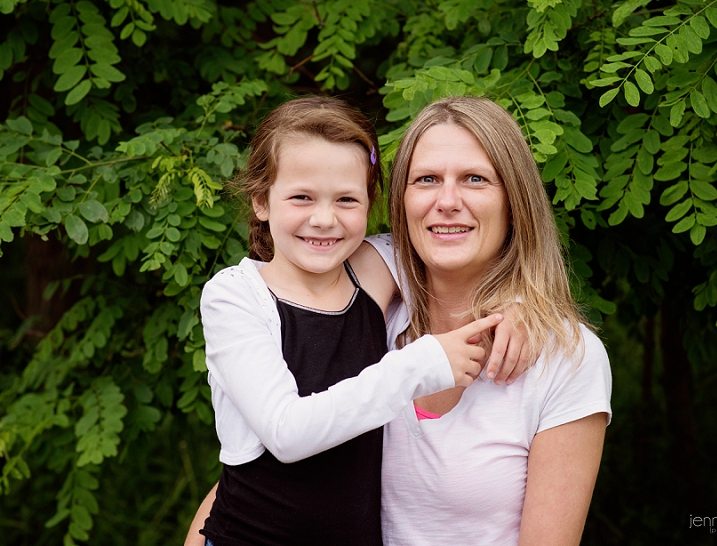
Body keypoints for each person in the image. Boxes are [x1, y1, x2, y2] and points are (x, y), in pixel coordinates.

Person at [192, 96, 522, 546]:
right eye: (301, 197)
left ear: (370, 204)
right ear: (261, 202)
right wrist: (420, 365)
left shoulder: (373, 269)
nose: (324, 219)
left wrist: (517, 303)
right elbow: (287, 434)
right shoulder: (235, 297)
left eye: (346, 199)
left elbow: (467, 262)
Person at [353, 96, 613, 545]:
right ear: (402, 201)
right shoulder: (372, 318)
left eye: (475, 179)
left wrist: (526, 301)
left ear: (514, 201)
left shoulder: (567, 357)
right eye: (427, 180)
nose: (447, 201)